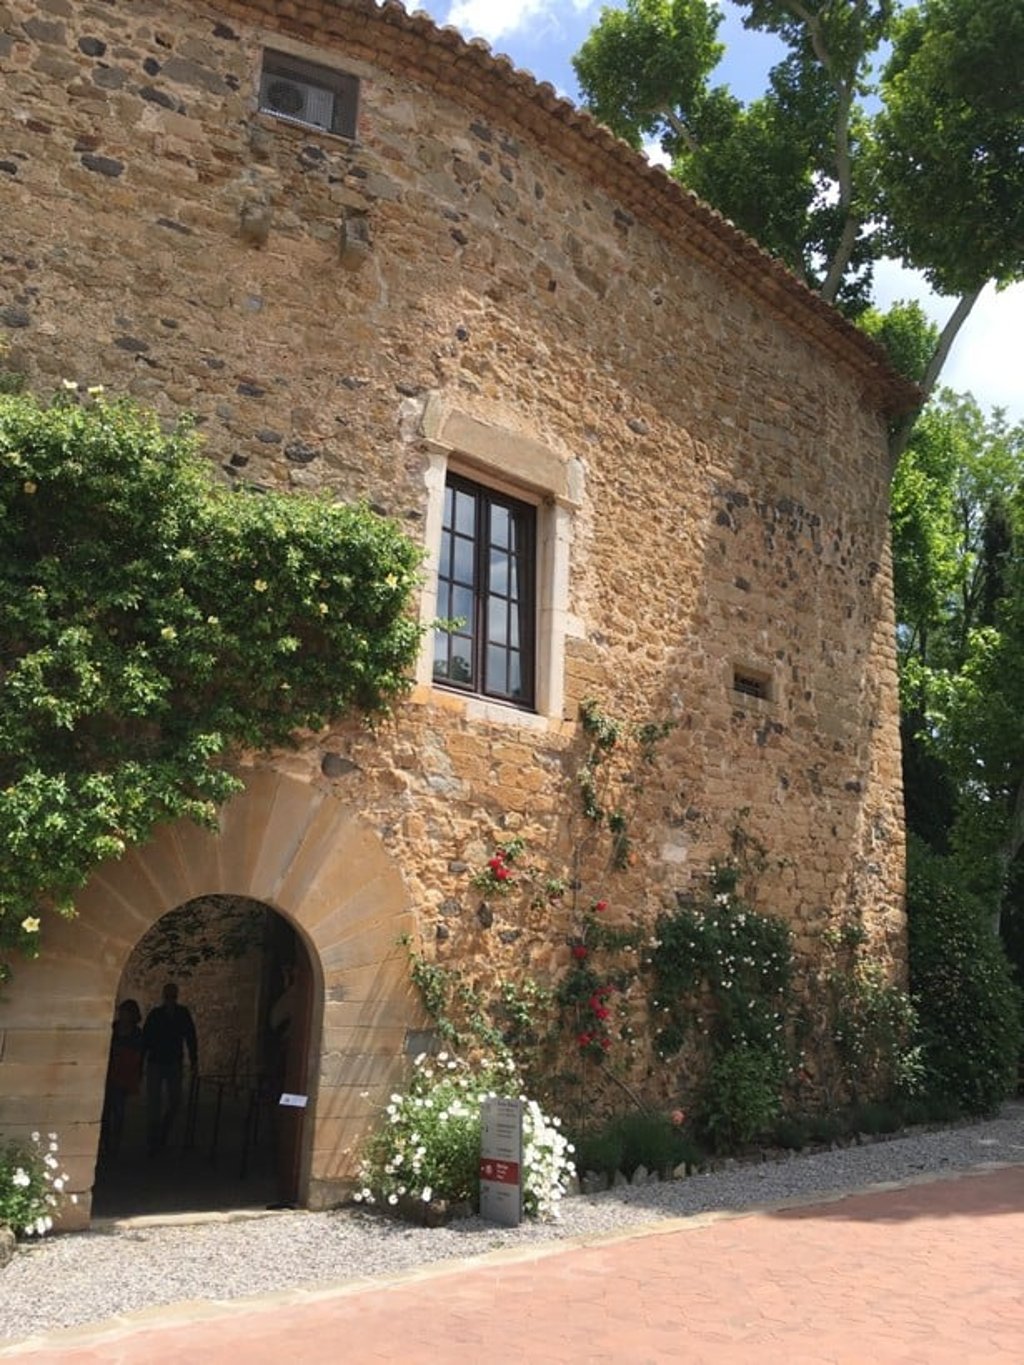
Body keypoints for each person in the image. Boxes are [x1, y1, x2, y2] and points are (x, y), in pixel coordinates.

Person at [142, 982, 198, 1155]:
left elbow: (190, 1036)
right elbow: (146, 1038)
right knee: (154, 1103)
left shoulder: (182, 1014)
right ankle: (154, 1140)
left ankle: (162, 1132)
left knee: (175, 1101)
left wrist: (194, 1059)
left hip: (173, 1062)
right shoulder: (156, 1015)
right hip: (157, 1062)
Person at [100, 998, 144, 1158]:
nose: (122, 1015)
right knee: (106, 1112)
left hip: (124, 1074)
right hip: (110, 1072)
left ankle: (115, 1145)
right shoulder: (114, 1028)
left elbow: (138, 1054)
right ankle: (106, 1143)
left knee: (118, 1111)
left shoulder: (136, 1033)